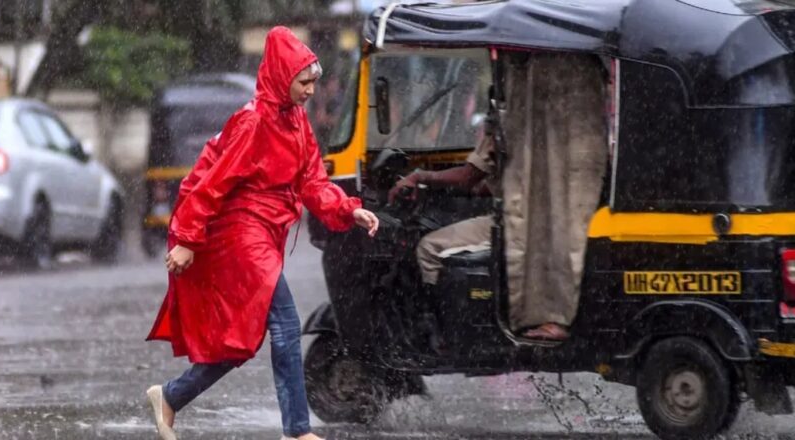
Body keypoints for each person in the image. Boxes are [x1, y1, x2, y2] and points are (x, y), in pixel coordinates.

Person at [145, 27, 380, 440]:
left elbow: (312, 182)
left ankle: (170, 396)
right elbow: (211, 183)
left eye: (313, 82)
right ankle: (297, 430)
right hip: (238, 233)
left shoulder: (297, 123)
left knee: (243, 340)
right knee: (287, 324)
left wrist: (350, 209)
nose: (310, 90)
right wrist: (186, 239)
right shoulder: (252, 122)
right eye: (303, 81)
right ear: (281, 76)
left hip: (265, 235)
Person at [388, 124, 570, 343]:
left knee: (429, 248)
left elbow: (467, 177)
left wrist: (419, 177)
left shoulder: (509, 123)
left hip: (519, 224)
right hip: (557, 221)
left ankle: (438, 330)